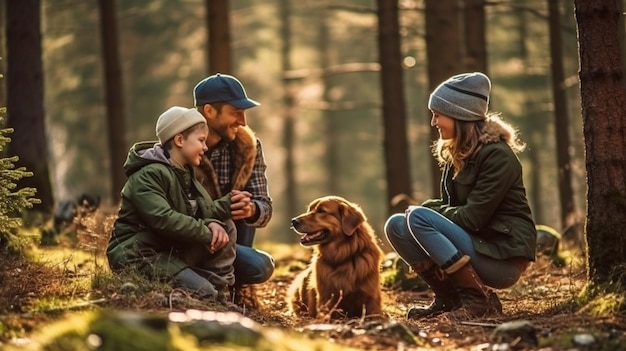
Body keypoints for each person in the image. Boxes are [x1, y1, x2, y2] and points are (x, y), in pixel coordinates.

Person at [384, 72, 537, 320]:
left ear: (460, 116)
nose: (433, 122)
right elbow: (451, 210)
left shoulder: (497, 156)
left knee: (419, 217)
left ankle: (478, 300)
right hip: (475, 245)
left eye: (438, 115)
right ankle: (450, 299)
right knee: (397, 225)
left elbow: (471, 218)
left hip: (500, 257)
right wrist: (430, 211)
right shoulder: (459, 154)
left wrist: (428, 212)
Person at [107, 106, 238, 304]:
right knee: (203, 292)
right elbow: (164, 219)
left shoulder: (185, 172)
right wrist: (208, 230)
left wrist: (229, 205)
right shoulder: (148, 175)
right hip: (140, 256)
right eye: (201, 140)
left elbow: (198, 209)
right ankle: (206, 296)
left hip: (169, 251)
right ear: (179, 140)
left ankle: (221, 296)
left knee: (225, 224)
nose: (205, 147)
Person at [192, 73, 275, 305]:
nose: (243, 121)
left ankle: (235, 286)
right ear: (209, 111)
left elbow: (265, 206)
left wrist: (251, 210)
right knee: (258, 265)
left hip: (230, 243)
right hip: (190, 239)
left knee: (262, 267)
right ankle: (201, 280)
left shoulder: (249, 146)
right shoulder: (180, 146)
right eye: (236, 112)